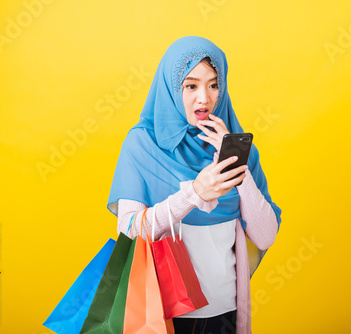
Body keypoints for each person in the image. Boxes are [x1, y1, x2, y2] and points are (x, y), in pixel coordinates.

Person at [107, 36, 282, 334]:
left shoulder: (239, 149)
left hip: (225, 312)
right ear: (172, 88)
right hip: (163, 315)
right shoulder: (140, 145)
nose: (204, 98)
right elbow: (129, 233)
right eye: (191, 86)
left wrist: (238, 168)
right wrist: (194, 194)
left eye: (213, 85)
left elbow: (265, 236)